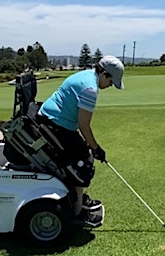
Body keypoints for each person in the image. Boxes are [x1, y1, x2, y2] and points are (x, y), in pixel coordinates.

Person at [36, 55, 124, 226]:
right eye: (111, 82)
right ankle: (76, 214)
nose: (110, 86)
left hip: (55, 122)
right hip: (54, 124)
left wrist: (90, 146)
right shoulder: (90, 89)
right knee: (82, 164)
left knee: (83, 157)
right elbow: (84, 125)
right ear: (105, 74)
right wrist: (96, 148)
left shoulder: (86, 75)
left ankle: (77, 199)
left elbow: (80, 123)